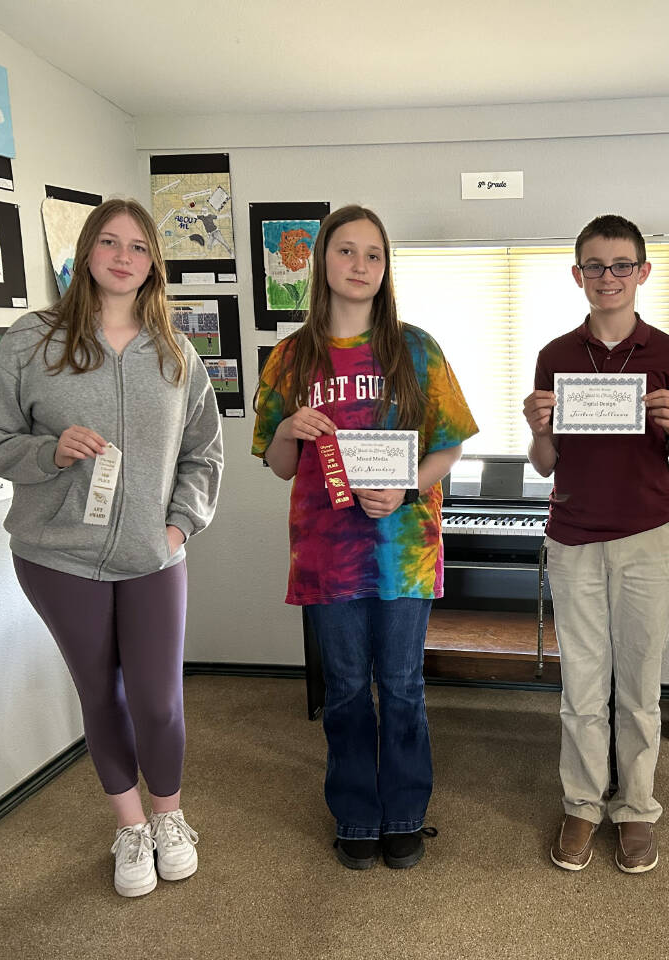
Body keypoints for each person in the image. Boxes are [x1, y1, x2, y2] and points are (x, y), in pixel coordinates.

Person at [0, 198, 223, 898]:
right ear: (85, 254)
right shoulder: (33, 340)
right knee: (100, 693)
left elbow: (204, 453)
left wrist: (178, 527)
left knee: (158, 699)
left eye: (138, 247)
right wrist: (48, 451)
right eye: (108, 242)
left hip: (153, 556)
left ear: (153, 266)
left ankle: (170, 816)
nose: (122, 256)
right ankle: (131, 825)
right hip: (57, 557)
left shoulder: (175, 351)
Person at [251, 205, 477, 871]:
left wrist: (407, 488)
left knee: (404, 685)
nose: (359, 265)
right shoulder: (292, 357)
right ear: (323, 262)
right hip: (327, 554)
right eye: (345, 251)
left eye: (372, 254)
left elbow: (449, 446)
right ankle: (355, 813)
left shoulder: (417, 348)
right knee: (346, 688)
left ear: (385, 268)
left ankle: (405, 812)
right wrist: (290, 431)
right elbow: (279, 464)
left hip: (403, 550)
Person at [523, 214, 669, 874]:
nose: (608, 277)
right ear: (577, 275)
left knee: (639, 683)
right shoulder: (556, 356)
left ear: (643, 272)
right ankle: (581, 804)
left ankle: (637, 808)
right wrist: (536, 426)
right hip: (572, 540)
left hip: (648, 539)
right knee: (582, 683)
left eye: (621, 265)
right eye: (594, 266)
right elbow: (544, 462)